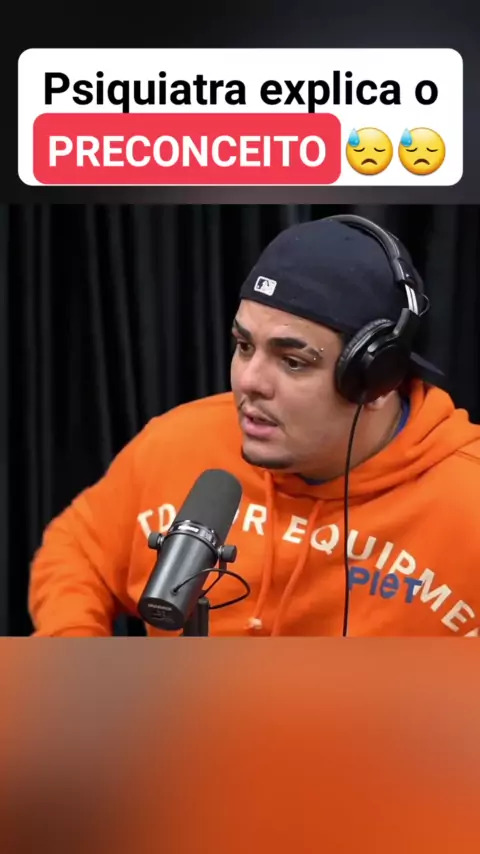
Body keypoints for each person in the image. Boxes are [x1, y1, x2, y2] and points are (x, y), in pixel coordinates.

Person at [28, 215, 480, 638]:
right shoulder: (179, 441)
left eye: (293, 361)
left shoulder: (466, 501)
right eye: (244, 346)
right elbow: (76, 550)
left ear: (378, 381)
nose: (249, 382)